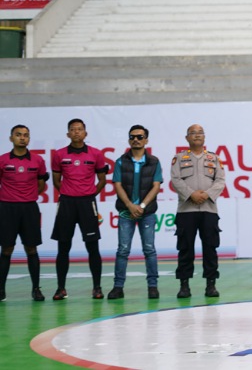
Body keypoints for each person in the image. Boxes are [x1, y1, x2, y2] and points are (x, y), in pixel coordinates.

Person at [50, 119, 109, 301]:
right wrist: (69, 193)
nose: (76, 132)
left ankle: (97, 288)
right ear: (68, 134)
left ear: (85, 133)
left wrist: (89, 194)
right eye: (73, 129)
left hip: (87, 203)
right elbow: (56, 181)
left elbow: (102, 180)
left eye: (80, 129)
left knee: (93, 247)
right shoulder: (59, 154)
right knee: (63, 247)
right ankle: (61, 288)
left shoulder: (96, 154)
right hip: (67, 203)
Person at [170, 124, 226, 299]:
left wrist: (207, 194)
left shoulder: (214, 158)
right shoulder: (179, 158)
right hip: (186, 210)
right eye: (193, 133)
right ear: (187, 138)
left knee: (210, 248)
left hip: (209, 209)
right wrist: (191, 194)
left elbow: (220, 180)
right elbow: (175, 179)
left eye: (200, 133)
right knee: (185, 248)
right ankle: (184, 285)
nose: (197, 135)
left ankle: (211, 285)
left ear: (204, 137)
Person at [108, 125, 163, 300]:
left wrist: (142, 206)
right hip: (126, 212)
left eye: (140, 137)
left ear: (146, 140)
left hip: (147, 212)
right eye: (132, 137)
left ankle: (152, 287)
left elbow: (156, 186)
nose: (136, 140)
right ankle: (118, 287)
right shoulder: (120, 161)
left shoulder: (154, 161)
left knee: (149, 250)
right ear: (128, 140)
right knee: (123, 250)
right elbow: (117, 185)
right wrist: (130, 206)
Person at [0, 125, 49, 302]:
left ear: (29, 139)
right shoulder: (2, 160)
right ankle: (1, 289)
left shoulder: (38, 160)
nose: (22, 138)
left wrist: (29, 196)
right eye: (18, 135)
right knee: (6, 249)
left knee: (31, 249)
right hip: (7, 209)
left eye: (26, 135)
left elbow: (41, 183)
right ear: (11, 138)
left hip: (29, 209)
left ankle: (36, 289)